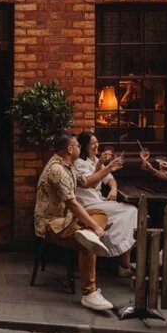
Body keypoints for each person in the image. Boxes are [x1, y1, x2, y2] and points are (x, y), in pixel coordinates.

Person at [34, 133, 114, 312]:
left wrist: (108, 168)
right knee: (88, 244)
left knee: (100, 212)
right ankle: (89, 294)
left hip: (68, 219)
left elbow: (87, 183)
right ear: (70, 149)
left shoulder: (69, 165)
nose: (80, 147)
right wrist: (94, 227)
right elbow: (72, 203)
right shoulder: (57, 170)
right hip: (52, 224)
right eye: (77, 145)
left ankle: (88, 234)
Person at [74, 132, 137, 277]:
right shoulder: (78, 163)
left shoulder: (96, 159)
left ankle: (121, 260)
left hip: (99, 200)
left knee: (132, 214)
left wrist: (113, 189)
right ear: (84, 146)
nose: (96, 146)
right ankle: (114, 251)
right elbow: (89, 183)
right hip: (87, 205)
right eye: (92, 143)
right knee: (131, 211)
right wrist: (103, 167)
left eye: (97, 142)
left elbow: (110, 179)